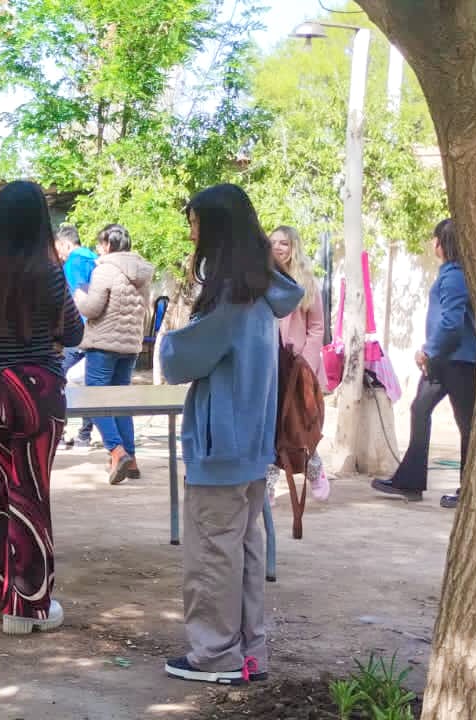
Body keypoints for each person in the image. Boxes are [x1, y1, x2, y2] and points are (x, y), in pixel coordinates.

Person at [159, 183, 302, 685]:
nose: (192, 235)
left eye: (196, 224)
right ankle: (247, 651)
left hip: (221, 445)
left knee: (213, 552)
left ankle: (215, 654)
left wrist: (169, 340)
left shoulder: (229, 298)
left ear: (217, 230)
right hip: (251, 442)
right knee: (243, 547)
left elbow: (180, 359)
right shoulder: (261, 291)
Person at [0, 180, 84, 635]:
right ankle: (28, 605)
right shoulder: (49, 273)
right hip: (37, 390)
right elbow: (73, 332)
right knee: (31, 496)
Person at [371, 219, 476, 509]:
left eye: (435, 238)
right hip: (443, 361)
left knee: (467, 425)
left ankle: (469, 490)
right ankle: (410, 481)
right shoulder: (451, 273)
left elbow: (452, 324)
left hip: (458, 361)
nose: (433, 244)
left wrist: (428, 351)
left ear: (442, 243)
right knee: (420, 410)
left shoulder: (455, 276)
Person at [75, 224, 154, 485]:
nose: (98, 250)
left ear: (108, 244)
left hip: (103, 344)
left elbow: (92, 308)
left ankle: (117, 451)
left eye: (100, 244)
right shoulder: (143, 272)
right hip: (129, 345)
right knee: (121, 401)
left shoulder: (105, 269)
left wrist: (79, 294)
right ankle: (132, 459)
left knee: (94, 400)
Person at [268, 226, 329, 500]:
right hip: (270, 365)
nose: (278, 247)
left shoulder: (307, 283)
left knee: (300, 423)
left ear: (294, 247)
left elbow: (317, 327)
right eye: (273, 242)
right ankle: (268, 483)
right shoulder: (262, 280)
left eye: (284, 243)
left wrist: (306, 361)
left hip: (297, 366)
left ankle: (314, 467)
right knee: (271, 426)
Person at [57, 224, 97, 448]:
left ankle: (59, 432)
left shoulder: (73, 263)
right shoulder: (95, 260)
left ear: (66, 244)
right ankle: (84, 435)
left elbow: (74, 298)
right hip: (95, 331)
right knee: (90, 382)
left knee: (57, 380)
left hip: (75, 332)